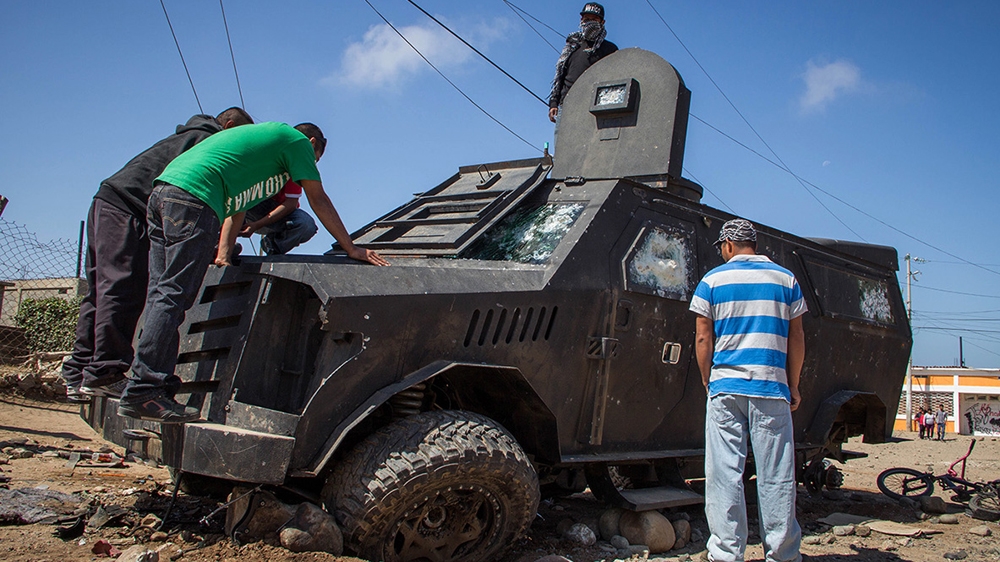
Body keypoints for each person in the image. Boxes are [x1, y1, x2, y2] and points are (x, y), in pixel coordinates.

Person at [117, 121, 389, 423]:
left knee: (161, 294)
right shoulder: (297, 142)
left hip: (164, 193)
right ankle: (144, 390)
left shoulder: (259, 152)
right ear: (312, 142)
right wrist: (351, 248)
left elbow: (238, 209)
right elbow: (318, 199)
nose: (308, 167)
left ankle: (155, 387)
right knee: (173, 296)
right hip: (194, 199)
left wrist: (223, 252)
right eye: (315, 159)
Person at [61, 108, 253, 402]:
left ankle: (79, 372)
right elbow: (186, 194)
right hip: (130, 208)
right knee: (123, 289)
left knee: (100, 292)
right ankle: (106, 373)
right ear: (228, 126)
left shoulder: (187, 135)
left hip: (108, 201)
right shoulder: (206, 140)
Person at [690, 219, 806, 562]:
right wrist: (793, 383)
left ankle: (726, 553)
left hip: (726, 386)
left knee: (725, 472)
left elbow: (702, 337)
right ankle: (782, 554)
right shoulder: (786, 280)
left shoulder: (712, 280)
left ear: (728, 245)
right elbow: (797, 338)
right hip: (771, 385)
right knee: (777, 474)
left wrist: (707, 378)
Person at [548, 3, 618, 123]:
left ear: (602, 22)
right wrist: (553, 103)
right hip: (567, 107)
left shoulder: (609, 49)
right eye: (587, 19)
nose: (590, 23)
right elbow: (560, 75)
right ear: (581, 20)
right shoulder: (573, 45)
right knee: (565, 141)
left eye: (594, 20)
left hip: (595, 108)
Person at [235, 180, 318, 255]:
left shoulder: (293, 168)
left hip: (280, 215)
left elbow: (291, 204)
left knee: (306, 224)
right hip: (250, 209)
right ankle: (226, 243)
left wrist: (256, 225)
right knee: (234, 198)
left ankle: (273, 245)